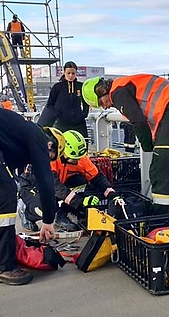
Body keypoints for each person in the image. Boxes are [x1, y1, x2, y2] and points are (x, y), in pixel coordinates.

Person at [82, 74, 169, 216]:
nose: (105, 107)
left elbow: (138, 122)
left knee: (160, 170)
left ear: (101, 92)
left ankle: (160, 220)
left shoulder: (117, 92)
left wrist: (149, 146)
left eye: (101, 103)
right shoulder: (126, 83)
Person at [0, 109, 65, 286]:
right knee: (6, 192)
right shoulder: (40, 139)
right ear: (51, 145)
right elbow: (45, 182)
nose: (47, 160)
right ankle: (4, 266)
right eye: (51, 158)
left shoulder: (22, 134)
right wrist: (48, 220)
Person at [19, 129, 116, 232]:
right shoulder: (50, 158)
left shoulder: (80, 158)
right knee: (44, 208)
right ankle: (26, 212)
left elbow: (97, 177)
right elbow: (54, 186)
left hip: (56, 184)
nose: (77, 161)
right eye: (73, 159)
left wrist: (111, 194)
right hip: (32, 187)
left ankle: (61, 213)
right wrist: (80, 202)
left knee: (80, 181)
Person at [38, 61, 90, 141]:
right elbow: (50, 105)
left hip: (79, 123)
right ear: (64, 72)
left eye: (73, 73)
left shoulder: (80, 86)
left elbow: (86, 101)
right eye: (68, 73)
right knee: (61, 146)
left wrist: (84, 114)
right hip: (62, 123)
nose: (70, 75)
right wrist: (57, 114)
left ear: (76, 73)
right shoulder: (57, 87)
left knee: (83, 142)